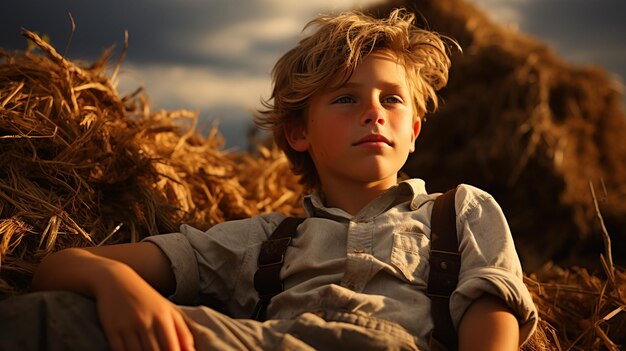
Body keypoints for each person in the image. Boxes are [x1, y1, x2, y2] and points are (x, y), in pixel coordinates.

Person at [0, 8, 537, 351]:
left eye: (391, 98)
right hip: (268, 344)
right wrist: (116, 287)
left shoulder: (461, 210)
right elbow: (59, 269)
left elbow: (491, 320)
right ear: (298, 132)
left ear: (414, 130)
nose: (373, 112)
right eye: (346, 98)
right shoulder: (264, 241)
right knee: (48, 317)